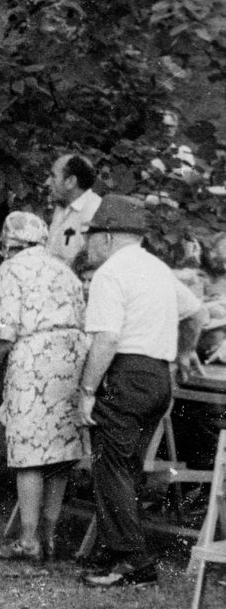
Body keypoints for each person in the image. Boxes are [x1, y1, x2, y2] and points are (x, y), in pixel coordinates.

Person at [77, 196, 205, 587]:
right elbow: (195, 311)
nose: (88, 245)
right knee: (126, 468)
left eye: (92, 236)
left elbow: (107, 338)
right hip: (157, 379)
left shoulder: (109, 274)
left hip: (124, 374)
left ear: (109, 236)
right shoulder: (156, 268)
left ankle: (133, 561)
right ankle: (114, 551)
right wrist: (184, 352)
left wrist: (86, 390)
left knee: (112, 467)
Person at [0, 211, 90, 563]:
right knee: (59, 451)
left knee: (29, 448)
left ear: (9, 241)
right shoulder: (64, 270)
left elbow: (6, 327)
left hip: (35, 357)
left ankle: (28, 539)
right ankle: (50, 535)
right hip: (72, 359)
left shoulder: (11, 269)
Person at [47, 153, 102, 272]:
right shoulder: (62, 206)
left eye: (53, 176)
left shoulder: (94, 209)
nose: (47, 182)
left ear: (71, 181)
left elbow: (90, 264)